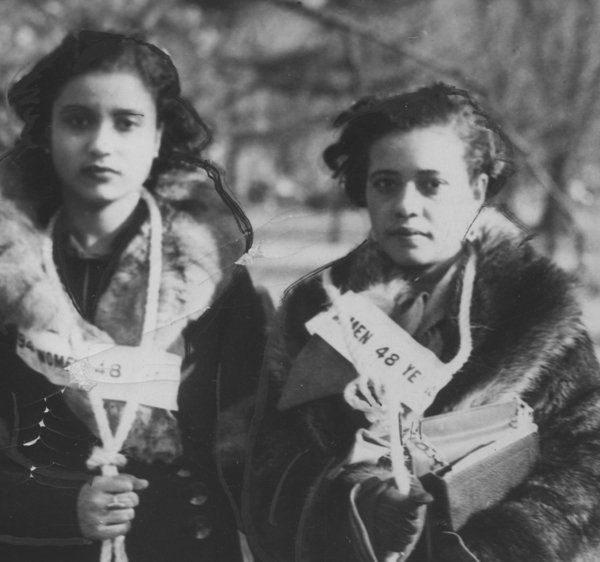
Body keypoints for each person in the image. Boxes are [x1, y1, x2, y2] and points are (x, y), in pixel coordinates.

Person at [0, 30, 272, 562]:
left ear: (158, 135)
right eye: (79, 120)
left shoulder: (215, 281)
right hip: (42, 548)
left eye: (126, 122)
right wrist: (60, 505)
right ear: (47, 133)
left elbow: (258, 442)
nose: (101, 144)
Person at [243, 83, 600, 562]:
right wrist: (354, 501)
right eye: (386, 183)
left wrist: (503, 543)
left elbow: (588, 456)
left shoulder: (534, 307)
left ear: (476, 189)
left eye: (431, 184)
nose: (406, 205)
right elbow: (269, 462)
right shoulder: (315, 309)